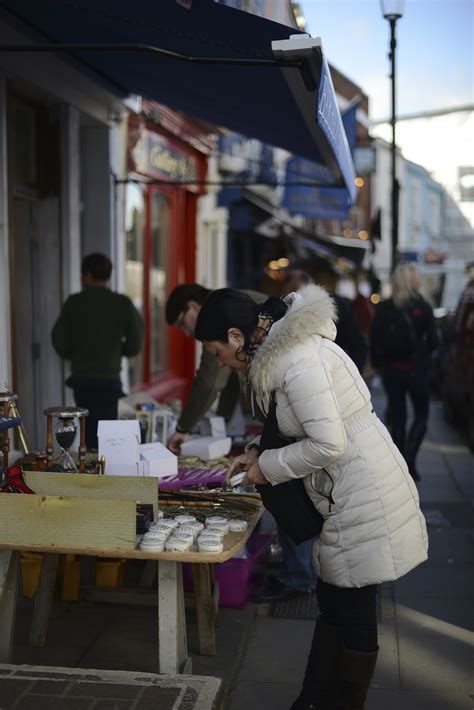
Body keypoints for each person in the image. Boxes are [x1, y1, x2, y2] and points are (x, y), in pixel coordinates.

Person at [194, 285, 428, 710]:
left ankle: (338, 703)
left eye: (215, 352)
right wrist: (256, 454)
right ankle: (313, 700)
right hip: (346, 491)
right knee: (335, 603)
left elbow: (328, 445)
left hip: (360, 492)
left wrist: (266, 467)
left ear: (235, 337)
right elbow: (300, 429)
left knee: (352, 610)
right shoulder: (284, 354)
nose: (219, 362)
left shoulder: (297, 360)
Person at [51, 253, 144, 450]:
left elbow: (58, 339)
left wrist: (75, 354)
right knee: (110, 434)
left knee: (87, 432)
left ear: (86, 275)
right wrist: (119, 351)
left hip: (82, 380)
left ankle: (89, 468)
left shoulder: (74, 303)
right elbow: (135, 344)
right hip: (109, 380)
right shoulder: (122, 303)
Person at [165, 283, 266, 452]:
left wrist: (183, 428)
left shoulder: (216, 315)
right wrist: (222, 420)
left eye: (183, 323)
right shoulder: (227, 302)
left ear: (192, 306)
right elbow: (230, 375)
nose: (187, 333)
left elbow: (209, 381)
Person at [369, 262, 438, 481]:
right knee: (421, 416)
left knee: (397, 416)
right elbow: (434, 341)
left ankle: (399, 461)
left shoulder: (385, 307)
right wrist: (422, 356)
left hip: (392, 372)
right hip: (417, 371)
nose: (419, 277)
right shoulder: (423, 307)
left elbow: (374, 340)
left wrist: (381, 366)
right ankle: (410, 458)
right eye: (417, 274)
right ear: (411, 279)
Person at [283, 269, 367, 373]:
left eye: (295, 290)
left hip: (332, 370)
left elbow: (358, 344)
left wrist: (352, 374)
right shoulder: (287, 308)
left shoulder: (337, 305)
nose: (294, 296)